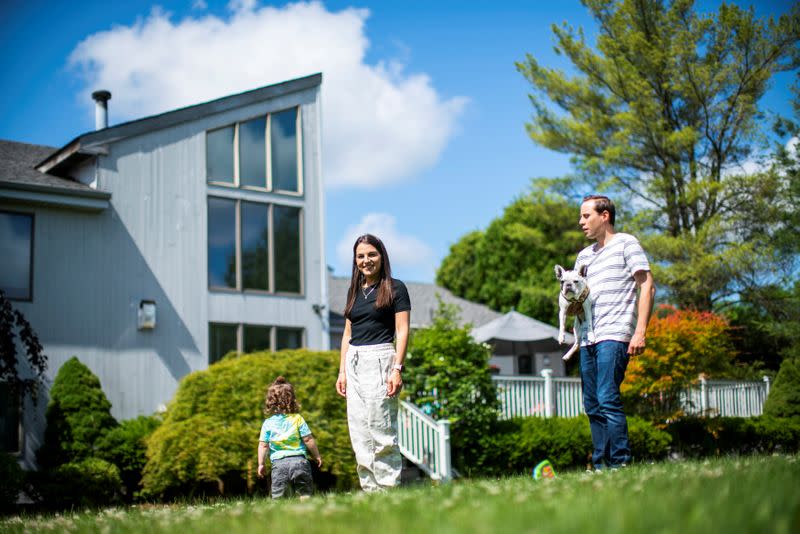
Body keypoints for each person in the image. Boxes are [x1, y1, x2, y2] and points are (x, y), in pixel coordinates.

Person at [575, 195, 656, 471]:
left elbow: (647, 286)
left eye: (586, 216)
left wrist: (640, 331)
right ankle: (601, 466)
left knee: (607, 396)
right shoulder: (583, 256)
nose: (581, 222)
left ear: (605, 216)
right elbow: (576, 295)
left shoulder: (626, 243)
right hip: (587, 338)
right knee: (592, 404)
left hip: (615, 334)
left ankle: (621, 463)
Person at [335, 234, 411, 491]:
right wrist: (342, 371)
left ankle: (389, 490)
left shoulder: (396, 287)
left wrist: (397, 369)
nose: (366, 260)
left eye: (371, 254)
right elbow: (347, 333)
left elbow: (402, 330)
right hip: (354, 360)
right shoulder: (354, 291)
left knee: (380, 429)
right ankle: (371, 492)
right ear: (355, 261)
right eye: (360, 256)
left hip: (381, 358)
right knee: (360, 432)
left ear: (381, 256)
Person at [257, 376, 323, 499]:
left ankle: (279, 516)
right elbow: (308, 439)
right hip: (299, 462)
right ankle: (307, 513)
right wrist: (317, 455)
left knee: (278, 496)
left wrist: (261, 464)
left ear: (270, 402)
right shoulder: (298, 419)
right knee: (304, 493)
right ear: (292, 399)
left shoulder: (268, 423)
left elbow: (263, 445)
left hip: (278, 464)